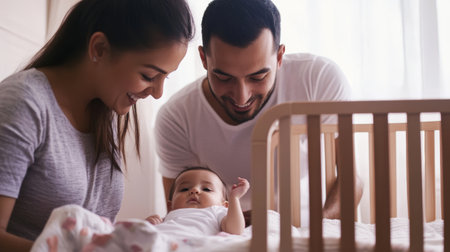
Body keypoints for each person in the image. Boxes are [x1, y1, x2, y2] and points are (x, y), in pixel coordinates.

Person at [0, 0, 194, 251]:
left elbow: (82, 232)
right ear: (99, 48)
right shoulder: (24, 103)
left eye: (165, 78)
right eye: (148, 76)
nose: (157, 93)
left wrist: (125, 236)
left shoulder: (103, 112)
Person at [155, 0, 363, 225]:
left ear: (280, 57)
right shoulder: (176, 118)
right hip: (227, 237)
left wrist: (313, 229)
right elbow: (179, 211)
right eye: (224, 78)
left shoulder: (318, 79)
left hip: (310, 227)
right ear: (204, 59)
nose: (241, 97)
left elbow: (352, 179)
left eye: (258, 77)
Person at [146, 167, 249, 235]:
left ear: (224, 205)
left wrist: (234, 199)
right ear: (170, 206)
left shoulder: (217, 211)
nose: (194, 190)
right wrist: (150, 224)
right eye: (184, 189)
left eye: (207, 189)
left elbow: (235, 231)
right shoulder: (168, 217)